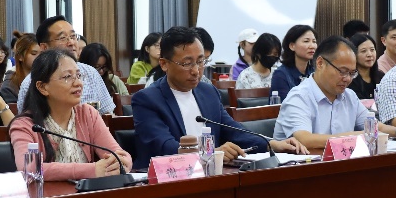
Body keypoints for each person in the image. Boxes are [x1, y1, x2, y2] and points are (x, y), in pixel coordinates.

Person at [131, 26, 307, 170]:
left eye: (201, 61)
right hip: (165, 182)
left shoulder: (207, 92)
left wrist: (272, 144)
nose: (196, 70)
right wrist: (211, 154)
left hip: (211, 175)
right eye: (187, 63)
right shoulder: (146, 100)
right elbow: (164, 146)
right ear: (164, 64)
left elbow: (234, 130)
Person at [274, 36, 396, 149]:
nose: (348, 79)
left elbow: (374, 127)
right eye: (342, 71)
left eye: (352, 73)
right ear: (320, 63)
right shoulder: (299, 97)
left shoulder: (349, 96)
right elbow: (305, 139)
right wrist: (356, 137)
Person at [9, 50, 133, 180]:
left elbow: (119, 155)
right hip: (47, 193)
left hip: (87, 192)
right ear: (42, 87)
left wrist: (121, 162)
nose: (78, 83)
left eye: (78, 75)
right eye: (67, 77)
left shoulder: (88, 113)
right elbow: (29, 168)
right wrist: (92, 170)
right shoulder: (25, 125)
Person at [14, 16, 113, 112]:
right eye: (62, 38)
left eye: (73, 36)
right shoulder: (31, 83)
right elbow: (27, 120)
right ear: (44, 47)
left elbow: (108, 113)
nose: (71, 42)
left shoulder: (90, 73)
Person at [272, 24, 317, 101]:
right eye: (306, 41)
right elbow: (284, 106)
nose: (312, 46)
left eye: (314, 41)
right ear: (292, 46)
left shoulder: (315, 72)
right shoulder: (281, 75)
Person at [0, 33, 40, 104]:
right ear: (20, 56)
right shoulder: (9, 85)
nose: (39, 57)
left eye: (42, 53)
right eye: (34, 53)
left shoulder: (47, 78)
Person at [347, 33, 383, 101]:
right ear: (353, 54)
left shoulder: (381, 77)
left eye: (372, 50)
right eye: (363, 51)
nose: (369, 54)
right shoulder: (349, 80)